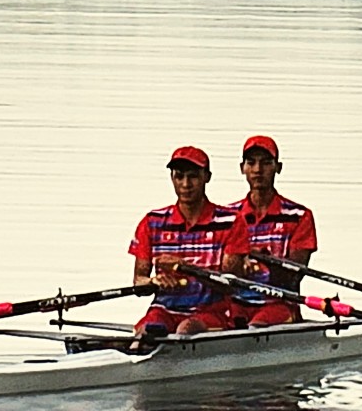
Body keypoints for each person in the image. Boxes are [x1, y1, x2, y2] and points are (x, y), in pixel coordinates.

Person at [129, 145, 247, 342]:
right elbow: (138, 281)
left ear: (206, 177)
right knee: (144, 334)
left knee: (185, 330)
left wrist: (185, 268)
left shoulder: (231, 222)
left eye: (193, 176)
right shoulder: (152, 222)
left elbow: (229, 284)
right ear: (172, 178)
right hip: (164, 309)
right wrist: (153, 282)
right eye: (179, 176)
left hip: (213, 311)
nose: (185, 184)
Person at [225, 135, 319, 326]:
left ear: (278, 167)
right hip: (235, 304)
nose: (258, 170)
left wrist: (264, 261)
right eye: (251, 163)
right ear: (242, 168)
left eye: (266, 163)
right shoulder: (226, 217)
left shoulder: (299, 216)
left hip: (280, 303)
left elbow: (294, 275)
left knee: (254, 328)